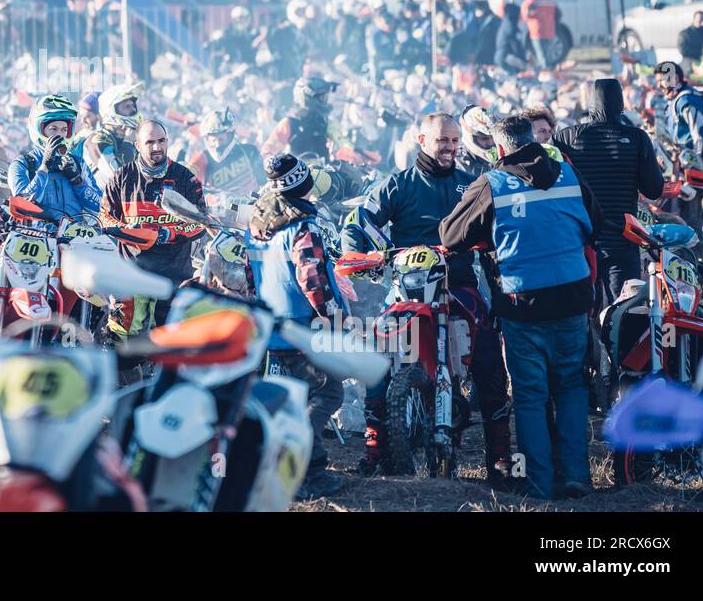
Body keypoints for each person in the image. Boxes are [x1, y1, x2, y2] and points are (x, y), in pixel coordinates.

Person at [439, 115, 603, 500]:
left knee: (530, 395)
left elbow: (450, 235)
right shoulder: (567, 174)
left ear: (499, 148)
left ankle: (540, 485)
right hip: (572, 299)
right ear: (532, 140)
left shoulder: (492, 183)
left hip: (522, 304)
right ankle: (579, 475)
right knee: (571, 389)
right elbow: (595, 225)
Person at [342, 112, 511, 483]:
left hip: (459, 286)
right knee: (376, 359)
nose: (450, 148)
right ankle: (374, 449)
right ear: (422, 141)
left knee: (489, 364)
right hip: (406, 287)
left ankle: (500, 458)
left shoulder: (471, 185)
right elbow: (357, 222)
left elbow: (497, 230)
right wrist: (368, 257)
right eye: (442, 141)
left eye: (454, 140)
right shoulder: (398, 185)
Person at [246, 153, 347, 499]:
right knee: (330, 392)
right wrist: (331, 314)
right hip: (304, 326)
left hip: (272, 327)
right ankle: (295, 463)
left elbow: (249, 276)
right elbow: (312, 277)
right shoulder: (304, 226)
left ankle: (311, 472)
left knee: (296, 398)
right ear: (303, 185)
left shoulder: (257, 228)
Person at [554, 79, 664, 306]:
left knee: (582, 314)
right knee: (625, 312)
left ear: (590, 102)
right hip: (622, 240)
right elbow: (653, 189)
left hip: (579, 241)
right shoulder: (637, 138)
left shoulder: (565, 137)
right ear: (621, 103)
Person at [101, 120, 205, 335]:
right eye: (150, 142)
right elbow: (104, 217)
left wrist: (170, 232)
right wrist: (128, 229)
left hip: (174, 275)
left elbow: (201, 223)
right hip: (131, 272)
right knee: (119, 338)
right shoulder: (121, 177)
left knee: (172, 344)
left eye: (161, 141)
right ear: (138, 145)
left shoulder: (186, 178)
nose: (157, 147)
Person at [8, 93, 101, 219]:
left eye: (64, 130)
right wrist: (44, 167)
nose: (60, 135)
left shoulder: (78, 163)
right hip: (37, 236)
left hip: (76, 236)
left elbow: (100, 208)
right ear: (39, 129)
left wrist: (78, 181)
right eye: (53, 129)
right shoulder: (24, 163)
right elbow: (21, 205)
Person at [186, 108, 261, 203]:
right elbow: (185, 177)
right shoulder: (202, 158)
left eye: (221, 139)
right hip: (219, 213)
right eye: (213, 140)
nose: (217, 144)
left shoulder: (250, 151)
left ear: (230, 135)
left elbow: (263, 181)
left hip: (254, 205)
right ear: (206, 139)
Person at [76, 81, 143, 187]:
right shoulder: (97, 140)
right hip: (101, 201)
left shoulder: (126, 137)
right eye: (127, 106)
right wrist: (129, 144)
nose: (133, 109)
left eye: (133, 105)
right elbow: (121, 180)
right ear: (112, 110)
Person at [654, 60, 703, 161]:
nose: (659, 85)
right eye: (657, 81)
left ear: (675, 79)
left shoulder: (687, 101)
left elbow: (701, 136)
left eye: (662, 80)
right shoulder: (675, 100)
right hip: (689, 160)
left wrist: (696, 162)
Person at [520, 0, 558, 69]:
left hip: (537, 31)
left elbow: (524, 15)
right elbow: (558, 14)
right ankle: (549, 72)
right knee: (548, 55)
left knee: (541, 56)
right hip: (550, 31)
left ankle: (546, 75)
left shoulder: (532, 0)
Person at [456, 104, 498, 178]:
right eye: (484, 138)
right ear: (470, 138)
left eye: (493, 137)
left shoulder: (506, 152)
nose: (491, 143)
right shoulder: (458, 164)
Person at [493, 3, 529, 73]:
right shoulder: (511, 28)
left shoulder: (506, 24)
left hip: (501, 57)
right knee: (527, 70)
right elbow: (515, 45)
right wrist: (523, 60)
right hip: (507, 58)